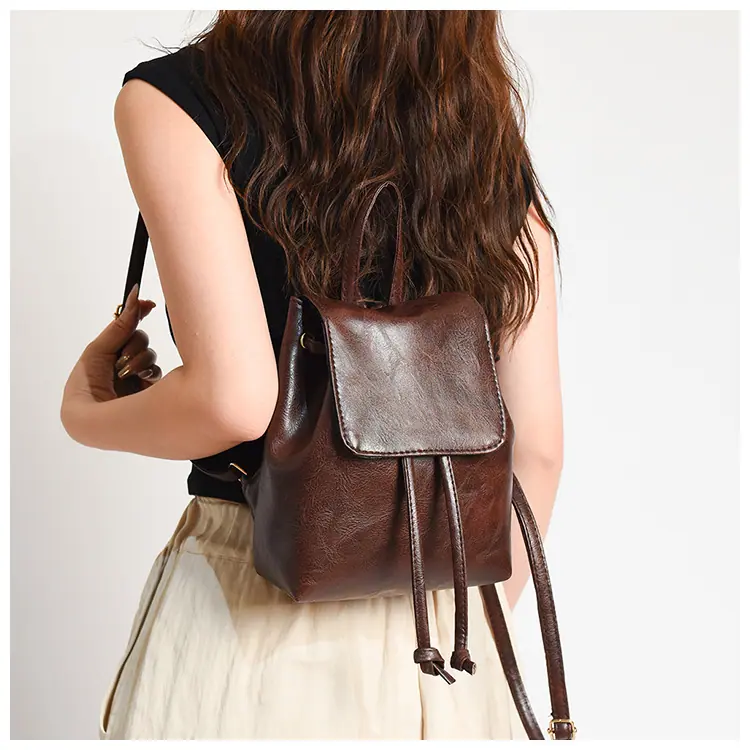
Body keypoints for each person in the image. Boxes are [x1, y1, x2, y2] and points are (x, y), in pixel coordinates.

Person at [60, 10, 563, 741]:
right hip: (452, 636)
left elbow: (234, 401)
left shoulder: (179, 98)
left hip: (247, 613)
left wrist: (86, 411)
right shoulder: (477, 121)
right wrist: (451, 606)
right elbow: (537, 448)